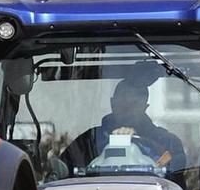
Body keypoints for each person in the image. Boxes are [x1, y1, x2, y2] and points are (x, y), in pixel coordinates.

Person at [61, 75, 190, 176]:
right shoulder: (90, 140)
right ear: (112, 103)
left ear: (145, 107)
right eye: (123, 102)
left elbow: (175, 175)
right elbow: (64, 171)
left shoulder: (167, 142)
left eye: (134, 103)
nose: (127, 107)